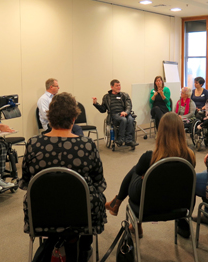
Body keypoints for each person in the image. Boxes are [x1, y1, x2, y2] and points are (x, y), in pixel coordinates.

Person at [20, 92, 106, 262]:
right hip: (82, 215)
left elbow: (26, 182)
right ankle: (82, 244)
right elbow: (99, 183)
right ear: (74, 118)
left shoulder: (33, 144)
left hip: (41, 214)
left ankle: (53, 241)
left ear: (49, 118)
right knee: (96, 194)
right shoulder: (87, 145)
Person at [104, 112, 196, 238]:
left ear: (161, 131)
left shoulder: (150, 157)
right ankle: (117, 204)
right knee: (160, 182)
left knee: (136, 171)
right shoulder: (190, 156)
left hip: (148, 204)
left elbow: (138, 173)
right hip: (179, 204)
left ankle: (119, 204)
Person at [93, 79, 138, 147]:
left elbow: (129, 106)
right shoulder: (106, 97)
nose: (119, 87)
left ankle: (129, 140)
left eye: (119, 85)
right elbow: (103, 110)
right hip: (114, 115)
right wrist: (96, 103)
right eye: (117, 86)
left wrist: (126, 112)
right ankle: (120, 139)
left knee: (131, 119)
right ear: (112, 87)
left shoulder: (124, 95)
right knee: (123, 119)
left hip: (125, 113)